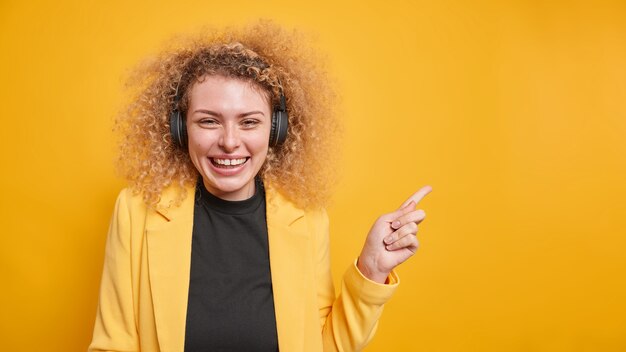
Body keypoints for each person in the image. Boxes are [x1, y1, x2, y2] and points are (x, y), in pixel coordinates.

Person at [89, 21, 431, 352]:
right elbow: (113, 345)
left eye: (249, 122)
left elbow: (320, 346)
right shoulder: (136, 210)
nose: (229, 142)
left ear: (276, 130)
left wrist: (370, 271)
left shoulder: (306, 217)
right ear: (181, 129)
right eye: (208, 121)